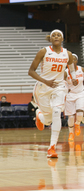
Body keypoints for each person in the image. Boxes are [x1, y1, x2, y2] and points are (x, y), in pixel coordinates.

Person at [28, 29, 76, 158]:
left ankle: (52, 147)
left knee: (56, 112)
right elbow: (31, 71)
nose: (56, 36)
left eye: (58, 35)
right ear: (51, 39)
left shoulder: (68, 54)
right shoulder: (44, 51)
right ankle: (39, 115)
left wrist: (74, 78)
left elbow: (72, 69)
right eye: (53, 35)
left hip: (59, 86)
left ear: (62, 39)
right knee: (48, 120)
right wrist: (45, 81)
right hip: (43, 87)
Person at [64, 53, 84, 141]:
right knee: (71, 116)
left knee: (80, 113)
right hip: (70, 94)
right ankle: (71, 133)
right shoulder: (65, 72)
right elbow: (61, 83)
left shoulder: (81, 69)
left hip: (80, 93)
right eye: (70, 59)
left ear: (77, 61)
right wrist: (65, 89)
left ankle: (78, 123)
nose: (72, 61)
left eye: (74, 59)